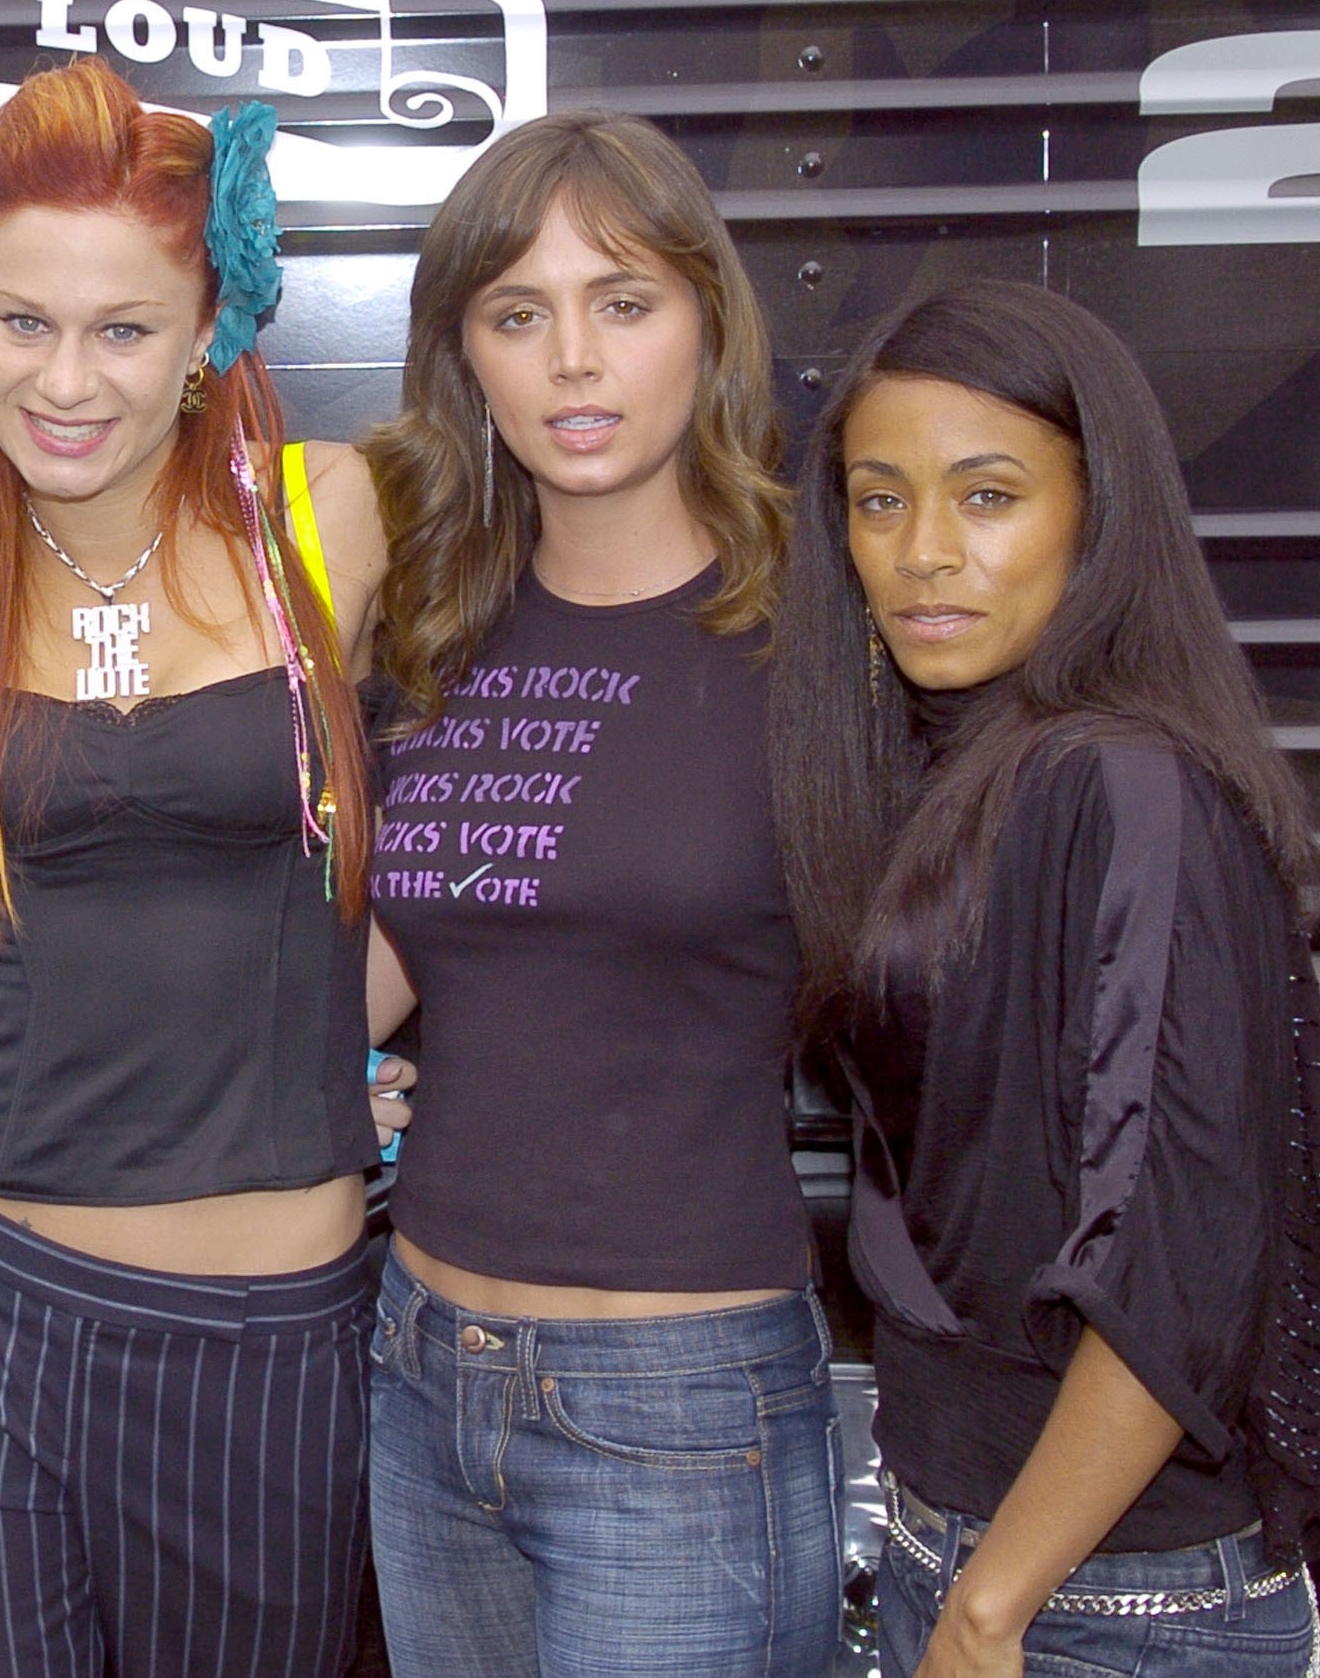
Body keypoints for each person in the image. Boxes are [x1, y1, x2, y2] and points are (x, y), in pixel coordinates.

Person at [0, 56, 396, 1678]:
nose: (66, 380)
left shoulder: (332, 521)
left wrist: (365, 1017)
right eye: (23, 321)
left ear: (210, 327)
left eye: (125, 329)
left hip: (259, 1340)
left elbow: (502, 807)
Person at [769, 279, 1320, 1678]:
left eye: (988, 496)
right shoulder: (949, 772)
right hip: (963, 1551)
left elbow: (1175, 1267)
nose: (924, 552)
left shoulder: (1127, 785)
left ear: (1099, 516)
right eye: (877, 501)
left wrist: (993, 1606)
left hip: (1104, 1608)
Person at [355, 112, 838, 1678]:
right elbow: (370, 969)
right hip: (422, 1370)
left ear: (708, 322)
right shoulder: (434, 637)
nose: (574, 357)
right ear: (467, 360)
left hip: (680, 1400)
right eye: (519, 313)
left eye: (623, 302)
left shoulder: (817, 643)